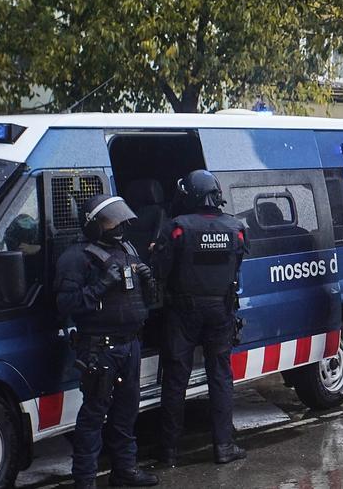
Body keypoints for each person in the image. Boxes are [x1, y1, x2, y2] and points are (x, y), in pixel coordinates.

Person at [56, 194, 159, 489]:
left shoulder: (126, 248)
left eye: (118, 219)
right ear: (94, 225)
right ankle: (85, 480)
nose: (117, 226)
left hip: (130, 344)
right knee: (93, 416)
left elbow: (142, 299)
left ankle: (125, 470)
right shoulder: (76, 258)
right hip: (99, 348)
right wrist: (101, 286)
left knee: (127, 413)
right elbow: (67, 305)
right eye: (109, 221)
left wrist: (149, 281)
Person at [155, 170, 248, 467]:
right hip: (221, 310)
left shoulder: (177, 227)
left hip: (183, 312)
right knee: (220, 378)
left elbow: (160, 272)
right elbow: (237, 266)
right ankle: (223, 447)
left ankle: (168, 451)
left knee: (175, 380)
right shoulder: (236, 227)